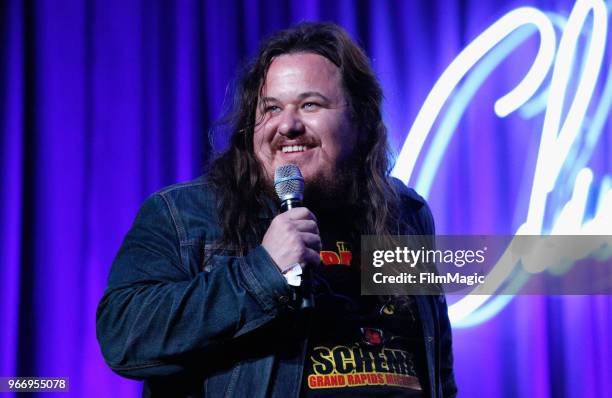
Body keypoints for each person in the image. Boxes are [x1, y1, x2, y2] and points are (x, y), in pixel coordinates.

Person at [96, 22, 457, 398]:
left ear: (361, 121)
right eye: (271, 108)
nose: (287, 124)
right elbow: (124, 338)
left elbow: (435, 366)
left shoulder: (403, 213)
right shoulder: (186, 216)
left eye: (310, 104)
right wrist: (262, 272)